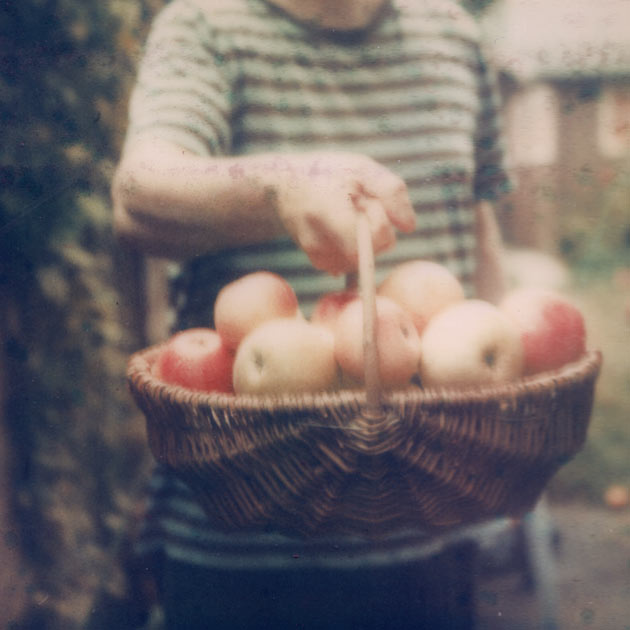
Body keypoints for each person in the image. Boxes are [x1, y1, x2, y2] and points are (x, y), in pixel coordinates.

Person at [112, 0, 512, 627]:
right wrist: (281, 186)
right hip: (244, 549)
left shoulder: (456, 36)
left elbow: (479, 220)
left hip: (430, 532)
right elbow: (138, 195)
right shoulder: (206, 25)